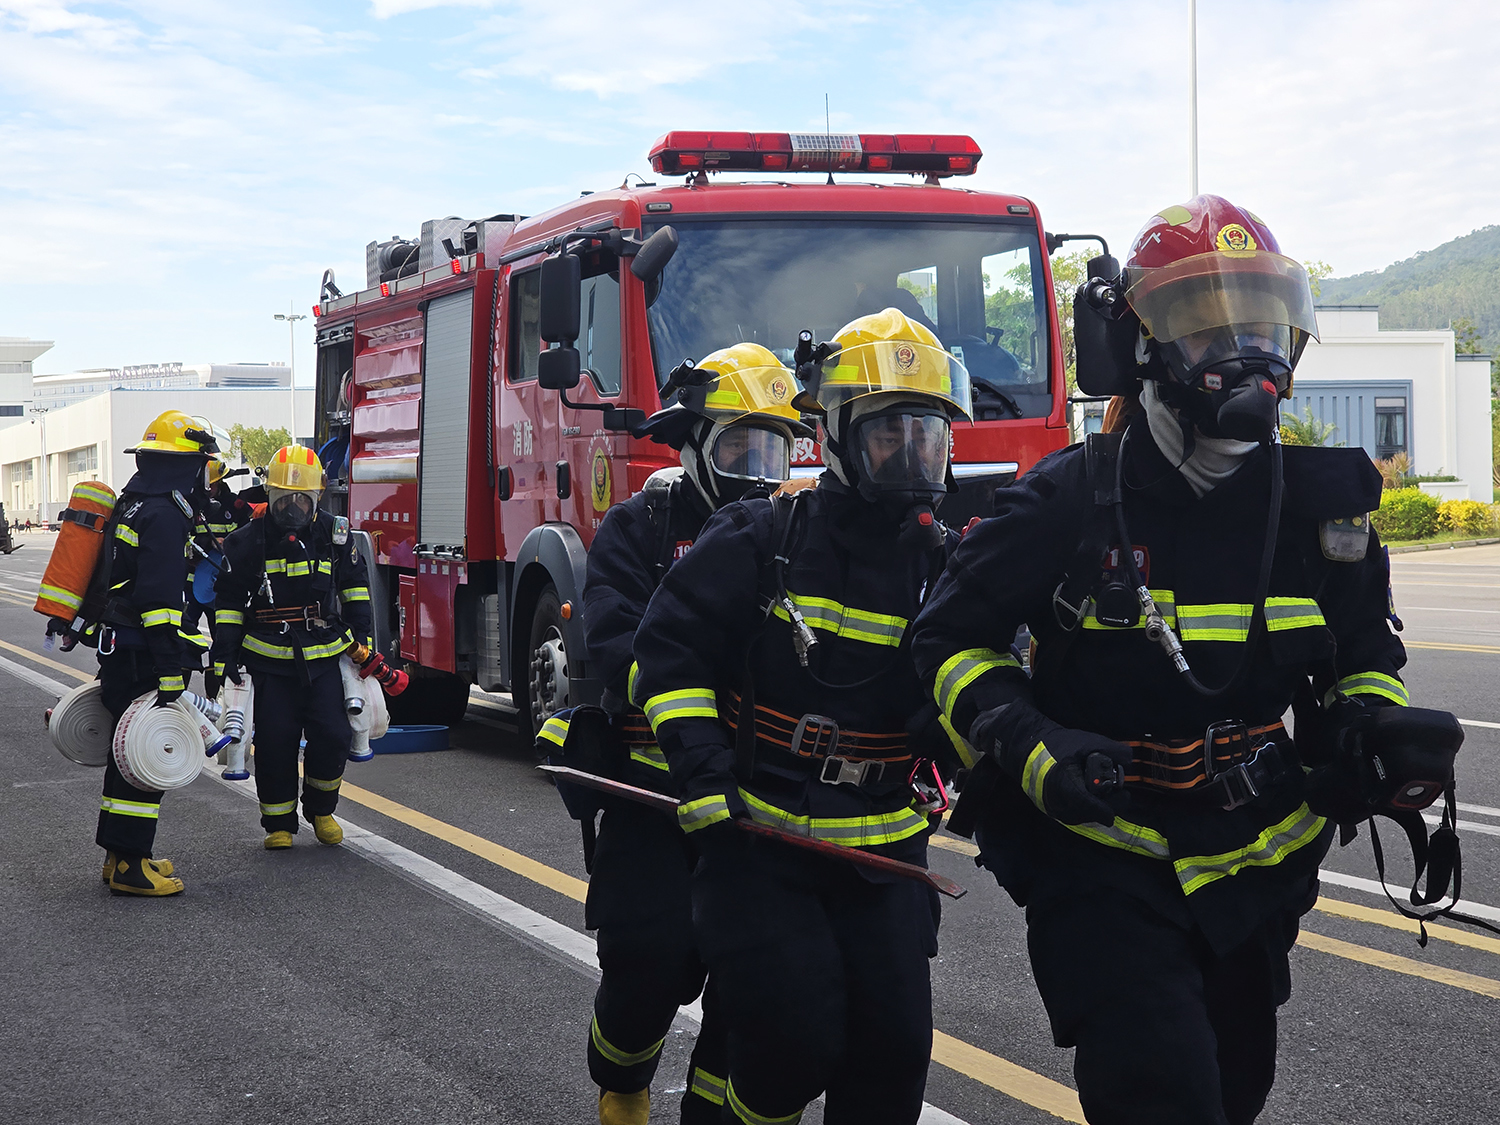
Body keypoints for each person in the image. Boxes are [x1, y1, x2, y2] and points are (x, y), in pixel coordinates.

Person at [911, 195, 1409, 1125]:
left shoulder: (1321, 515)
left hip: (1255, 861)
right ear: (1136, 349)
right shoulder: (1065, 503)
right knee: (1162, 1094)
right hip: (1101, 857)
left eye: (1259, 326)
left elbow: (1365, 654)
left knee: (1234, 1090)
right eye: (1206, 329)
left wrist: (1370, 730)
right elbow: (943, 640)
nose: (1245, 355)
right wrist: (1029, 742)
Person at [631, 309, 973, 1125]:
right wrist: (703, 773)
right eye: (890, 432)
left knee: (893, 1056)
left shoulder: (947, 566)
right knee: (790, 1040)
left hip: (887, 850)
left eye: (928, 434)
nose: (913, 452)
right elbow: (666, 656)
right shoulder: (760, 537)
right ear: (836, 433)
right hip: (762, 839)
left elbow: (985, 683)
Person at [542, 342, 814, 1125]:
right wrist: (697, 698)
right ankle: (622, 1077)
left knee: (754, 988)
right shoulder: (641, 528)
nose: (757, 471)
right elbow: (618, 642)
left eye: (772, 451)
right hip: (655, 795)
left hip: (761, 802)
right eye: (739, 449)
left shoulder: (801, 535)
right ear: (694, 446)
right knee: (647, 963)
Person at [210, 444, 371, 849]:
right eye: (284, 498)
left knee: (333, 734)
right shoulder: (246, 541)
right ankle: (278, 823)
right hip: (268, 658)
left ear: (317, 497)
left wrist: (363, 644)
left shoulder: (334, 535)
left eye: (302, 499)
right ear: (270, 494)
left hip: (323, 654)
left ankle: (321, 810)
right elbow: (228, 603)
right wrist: (224, 656)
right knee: (275, 741)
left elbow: (355, 590)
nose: (293, 507)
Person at [95, 410, 220, 896]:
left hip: (120, 645)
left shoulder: (134, 502)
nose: (206, 475)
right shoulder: (166, 515)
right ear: (185, 465)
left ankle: (119, 857)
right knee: (145, 757)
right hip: (143, 651)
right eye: (202, 465)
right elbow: (159, 602)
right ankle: (131, 867)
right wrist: (169, 670)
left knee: (124, 752)